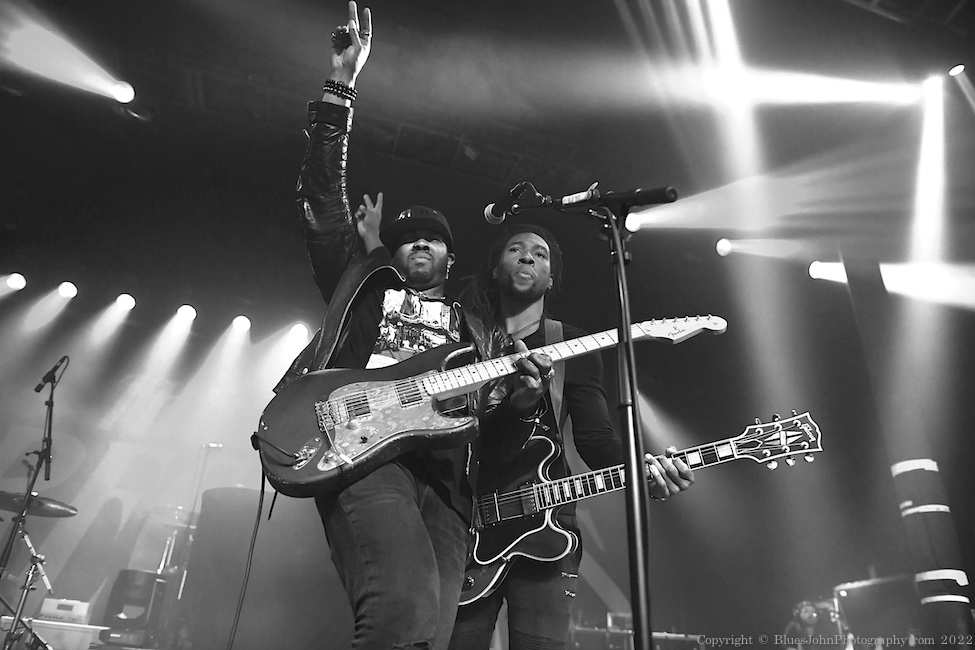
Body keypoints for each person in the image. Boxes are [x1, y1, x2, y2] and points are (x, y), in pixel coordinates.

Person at [271, 4, 556, 648]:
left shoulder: (476, 329)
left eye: (435, 238)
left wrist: (522, 398)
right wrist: (341, 86)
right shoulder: (363, 287)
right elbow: (321, 199)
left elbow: (496, 423)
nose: (421, 242)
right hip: (363, 450)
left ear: (452, 259)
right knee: (398, 614)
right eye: (408, 238)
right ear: (391, 253)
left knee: (432, 634)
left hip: (447, 483)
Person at [448, 224, 696, 650]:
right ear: (495, 269)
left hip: (547, 530)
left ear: (551, 279)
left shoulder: (573, 345)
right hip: (465, 525)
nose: (528, 257)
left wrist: (643, 473)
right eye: (515, 249)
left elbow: (596, 441)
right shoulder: (460, 341)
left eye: (541, 254)